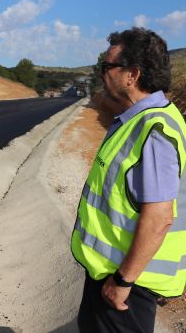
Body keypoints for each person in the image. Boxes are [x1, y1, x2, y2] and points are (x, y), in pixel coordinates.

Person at [71, 27, 186, 332]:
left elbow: (159, 217)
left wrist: (123, 281)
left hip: (128, 285)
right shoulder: (136, 120)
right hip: (109, 272)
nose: (101, 73)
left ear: (132, 75)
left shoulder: (154, 131)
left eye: (107, 66)